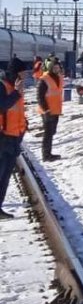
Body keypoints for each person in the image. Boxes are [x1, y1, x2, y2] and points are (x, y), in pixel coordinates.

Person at [0, 58, 28, 218]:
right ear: (15, 73)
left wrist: (23, 128)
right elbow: (2, 106)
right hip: (2, 138)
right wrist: (17, 92)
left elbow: (16, 111)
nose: (25, 76)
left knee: (4, 177)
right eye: (23, 72)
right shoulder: (3, 86)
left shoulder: (15, 87)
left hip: (13, 137)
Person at [36, 56, 64, 161]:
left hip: (55, 110)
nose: (57, 69)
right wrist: (46, 109)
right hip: (47, 111)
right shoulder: (44, 80)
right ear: (50, 68)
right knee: (48, 133)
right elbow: (40, 97)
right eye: (55, 68)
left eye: (58, 67)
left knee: (52, 132)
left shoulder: (59, 77)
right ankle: (46, 155)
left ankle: (48, 153)